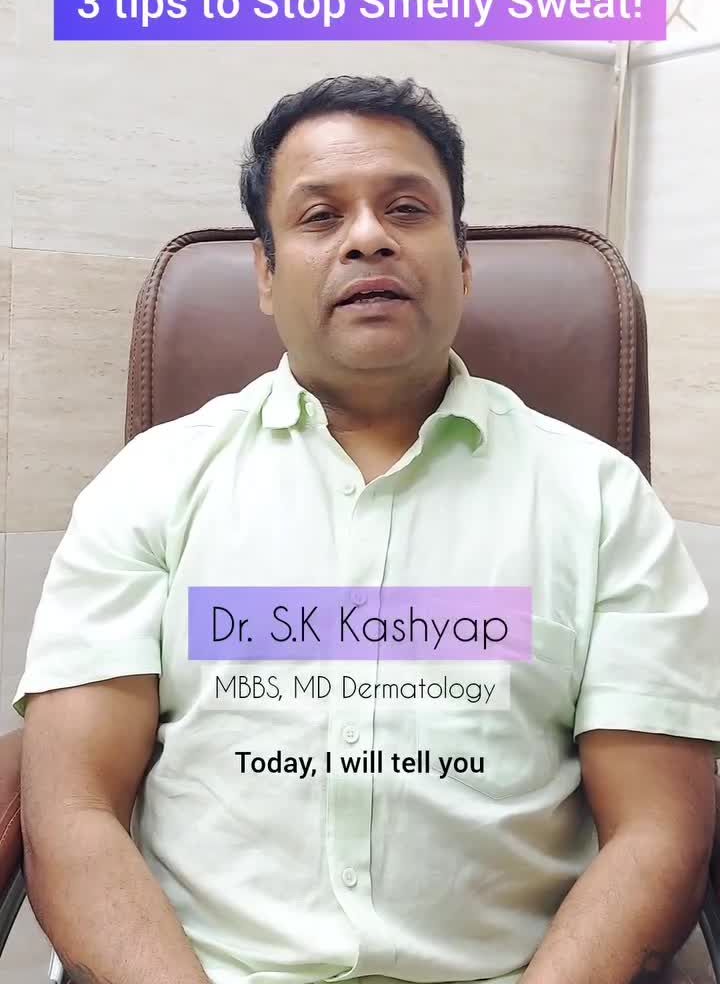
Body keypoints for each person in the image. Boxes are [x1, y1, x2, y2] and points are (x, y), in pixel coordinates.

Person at [13, 76, 720, 984]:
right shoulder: (148, 485)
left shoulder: (602, 499)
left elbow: (656, 830)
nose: (368, 237)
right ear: (266, 275)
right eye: (319, 216)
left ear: (462, 262)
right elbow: (73, 810)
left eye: (407, 209)